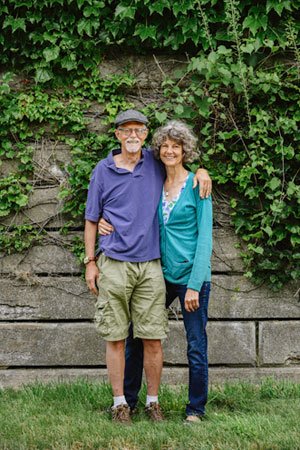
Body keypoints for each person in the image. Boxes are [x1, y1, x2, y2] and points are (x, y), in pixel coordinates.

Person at [85, 109, 212, 424]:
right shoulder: (124, 170)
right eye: (125, 130)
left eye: (138, 131)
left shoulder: (176, 175)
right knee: (128, 339)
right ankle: (123, 403)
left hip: (171, 273)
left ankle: (179, 407)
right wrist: (95, 244)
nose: (132, 135)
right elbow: (98, 211)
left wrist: (203, 169)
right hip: (136, 268)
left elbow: (205, 240)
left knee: (175, 341)